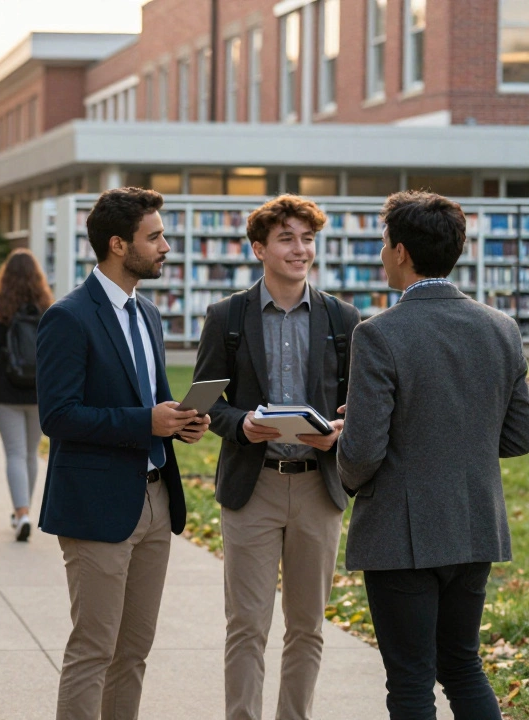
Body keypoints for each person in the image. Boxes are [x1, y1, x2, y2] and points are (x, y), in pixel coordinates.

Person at [338, 191, 529, 719]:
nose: (381, 254)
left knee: (411, 680)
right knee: (464, 667)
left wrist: (346, 455)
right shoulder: (501, 328)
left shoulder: (378, 334)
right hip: (474, 525)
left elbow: (363, 451)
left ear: (400, 252)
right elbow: (519, 432)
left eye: (382, 244)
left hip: (402, 534)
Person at [36, 187, 209, 720]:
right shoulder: (69, 317)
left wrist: (179, 422)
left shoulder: (148, 313)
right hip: (97, 507)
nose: (166, 247)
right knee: (94, 649)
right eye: (154, 237)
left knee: (133, 652)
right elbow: (57, 416)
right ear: (117, 244)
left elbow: (148, 400)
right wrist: (145, 422)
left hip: (156, 502)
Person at [192, 195, 361, 720]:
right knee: (247, 623)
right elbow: (203, 401)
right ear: (260, 248)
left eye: (308, 238)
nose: (300, 249)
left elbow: (362, 405)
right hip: (253, 486)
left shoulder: (343, 318)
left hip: (319, 487)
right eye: (287, 238)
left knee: (308, 625)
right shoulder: (227, 317)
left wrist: (339, 430)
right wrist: (239, 423)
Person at [0, 248, 53, 542]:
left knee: (14, 453)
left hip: (6, 392)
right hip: (39, 393)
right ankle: (25, 512)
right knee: (31, 453)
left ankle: (21, 513)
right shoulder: (49, 311)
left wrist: (2, 368)